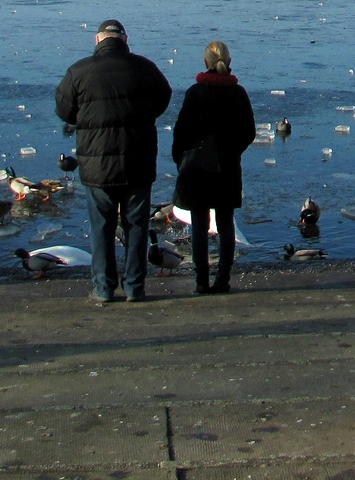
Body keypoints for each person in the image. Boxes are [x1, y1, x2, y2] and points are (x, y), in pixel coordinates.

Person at [56, 18, 172, 304]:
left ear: (98, 40)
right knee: (136, 226)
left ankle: (104, 288)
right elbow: (163, 99)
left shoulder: (78, 72)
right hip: (138, 162)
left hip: (97, 166)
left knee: (102, 227)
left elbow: (65, 111)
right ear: (125, 39)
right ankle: (134, 286)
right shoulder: (145, 68)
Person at [172, 40, 256, 294]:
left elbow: (181, 133)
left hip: (197, 168)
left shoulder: (195, 93)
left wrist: (181, 160)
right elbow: (249, 132)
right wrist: (232, 153)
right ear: (229, 62)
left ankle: (201, 280)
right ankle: (223, 279)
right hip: (227, 168)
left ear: (205, 62)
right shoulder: (238, 93)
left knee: (199, 223)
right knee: (225, 222)